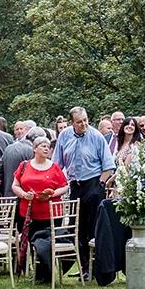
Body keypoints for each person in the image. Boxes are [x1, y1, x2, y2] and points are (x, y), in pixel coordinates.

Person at [53, 106, 113, 279]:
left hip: (93, 183)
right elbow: (58, 164)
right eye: (79, 122)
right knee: (77, 227)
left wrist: (100, 185)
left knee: (93, 228)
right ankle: (84, 266)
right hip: (75, 186)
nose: (84, 124)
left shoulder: (96, 136)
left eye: (85, 120)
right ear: (72, 122)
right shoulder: (64, 136)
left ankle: (96, 267)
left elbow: (108, 165)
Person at [13, 134, 70, 283]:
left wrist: (51, 195)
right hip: (29, 212)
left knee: (47, 243)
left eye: (48, 146)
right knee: (32, 242)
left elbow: (64, 186)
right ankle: (37, 272)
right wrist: (25, 195)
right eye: (43, 146)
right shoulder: (24, 166)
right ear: (34, 149)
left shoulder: (54, 167)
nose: (47, 149)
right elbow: (15, 185)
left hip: (51, 212)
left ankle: (48, 273)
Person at [0, 121, 37, 218]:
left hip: (8, 195)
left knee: (10, 226)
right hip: (23, 196)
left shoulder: (8, 148)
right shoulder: (30, 151)